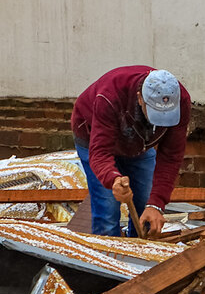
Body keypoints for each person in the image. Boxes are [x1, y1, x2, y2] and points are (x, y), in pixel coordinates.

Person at [70, 66, 190, 237]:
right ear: (140, 98)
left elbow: (171, 157)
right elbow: (100, 153)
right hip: (93, 135)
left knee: (146, 202)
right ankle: (108, 258)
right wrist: (113, 179)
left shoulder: (181, 100)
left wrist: (156, 204)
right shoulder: (110, 95)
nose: (163, 123)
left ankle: (139, 255)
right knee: (108, 210)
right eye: (157, 114)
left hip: (139, 142)